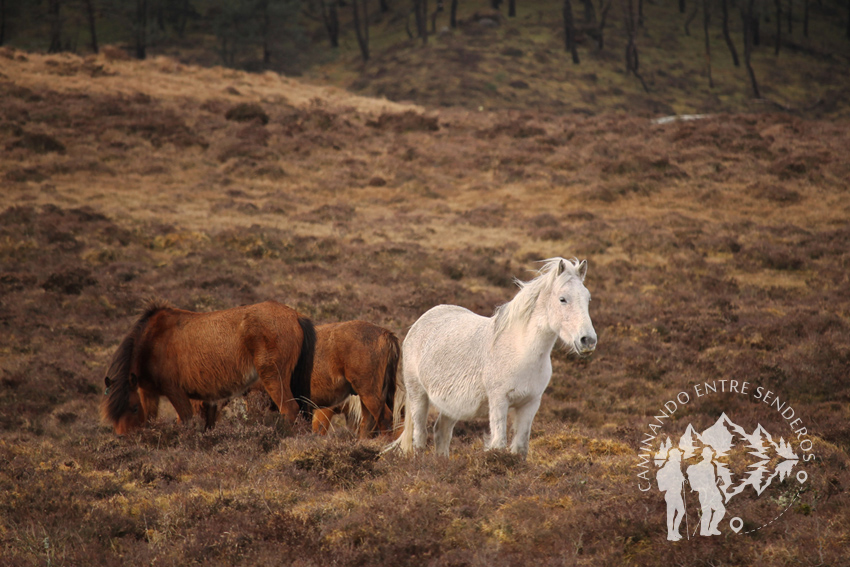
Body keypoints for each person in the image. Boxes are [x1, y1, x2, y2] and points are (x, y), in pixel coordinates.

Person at [687, 447, 726, 536]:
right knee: (708, 512)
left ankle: (711, 528)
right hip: (705, 493)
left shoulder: (710, 466)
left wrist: (717, 483)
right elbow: (703, 482)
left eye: (710, 455)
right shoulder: (701, 467)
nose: (709, 456)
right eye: (707, 455)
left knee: (719, 510)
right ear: (704, 455)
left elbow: (710, 482)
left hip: (711, 492)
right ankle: (705, 531)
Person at [656, 448, 686, 541]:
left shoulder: (676, 466)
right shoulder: (670, 466)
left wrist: (682, 479)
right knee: (671, 514)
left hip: (676, 493)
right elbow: (672, 478)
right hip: (671, 493)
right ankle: (670, 534)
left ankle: (675, 531)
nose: (680, 457)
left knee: (681, 511)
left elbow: (679, 477)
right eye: (678, 455)